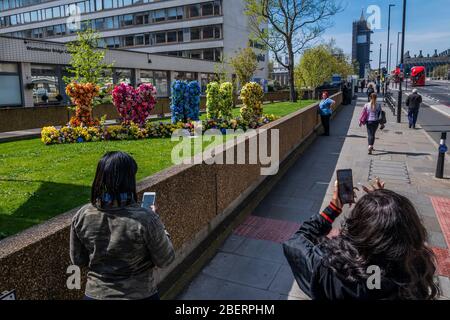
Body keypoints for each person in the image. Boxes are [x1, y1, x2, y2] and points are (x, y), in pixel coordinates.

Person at [283, 178, 439, 300]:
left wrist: (333, 208)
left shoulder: (330, 270)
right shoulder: (415, 267)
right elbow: (376, 279)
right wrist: (385, 215)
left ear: (358, 229)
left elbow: (296, 241)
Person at [70, 151, 175, 300]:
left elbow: (78, 260)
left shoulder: (81, 215)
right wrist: (156, 220)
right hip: (140, 295)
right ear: (129, 180)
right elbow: (166, 259)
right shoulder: (145, 218)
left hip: (95, 294)